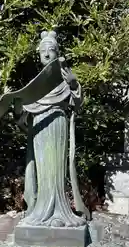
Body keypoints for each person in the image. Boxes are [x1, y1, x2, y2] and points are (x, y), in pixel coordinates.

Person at [16, 31, 89, 227]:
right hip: (39, 126)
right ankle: (40, 211)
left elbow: (77, 104)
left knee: (56, 169)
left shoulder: (63, 79)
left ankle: (59, 212)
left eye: (52, 50)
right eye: (43, 51)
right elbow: (24, 115)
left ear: (57, 53)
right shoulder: (35, 85)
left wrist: (73, 83)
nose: (47, 54)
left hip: (57, 123)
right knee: (42, 168)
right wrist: (19, 109)